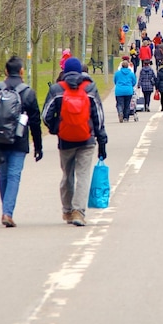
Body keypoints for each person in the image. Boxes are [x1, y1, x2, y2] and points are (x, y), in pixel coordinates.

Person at [43, 58, 108, 227]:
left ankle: (67, 211)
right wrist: (102, 141)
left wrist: (56, 128)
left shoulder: (57, 89)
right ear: (80, 71)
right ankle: (79, 211)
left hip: (65, 140)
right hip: (87, 139)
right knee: (83, 176)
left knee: (67, 175)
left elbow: (46, 116)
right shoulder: (90, 88)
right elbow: (99, 117)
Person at [0, 56, 44, 228]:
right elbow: (35, 122)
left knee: (3, 174)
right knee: (14, 175)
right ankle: (7, 212)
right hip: (18, 140)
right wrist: (38, 146)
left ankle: (6, 210)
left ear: (6, 71)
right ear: (22, 71)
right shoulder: (28, 93)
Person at [113, 57, 137, 122]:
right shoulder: (131, 74)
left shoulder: (117, 73)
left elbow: (115, 81)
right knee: (127, 104)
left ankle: (120, 112)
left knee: (119, 104)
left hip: (119, 90)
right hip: (128, 90)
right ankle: (126, 117)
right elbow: (134, 82)